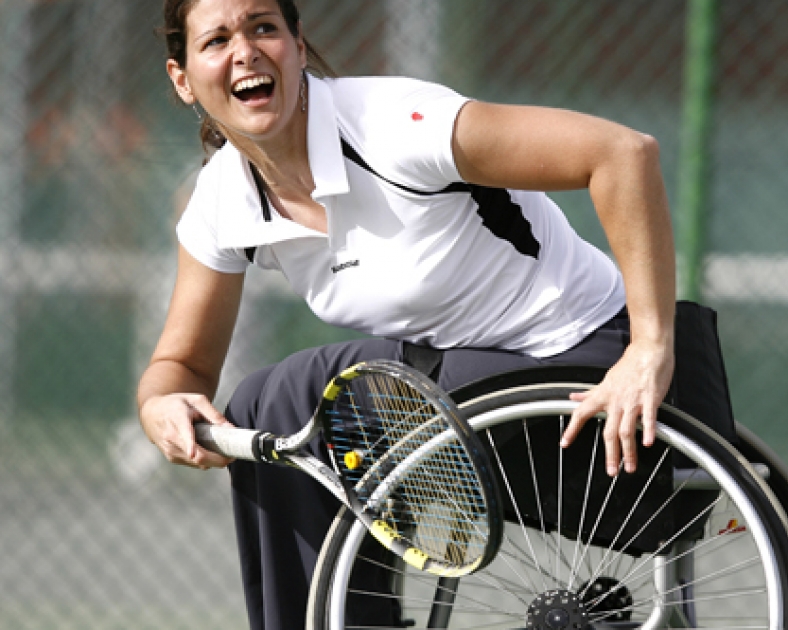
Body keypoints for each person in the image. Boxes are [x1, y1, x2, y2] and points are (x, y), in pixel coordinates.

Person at [140, 0, 676, 627]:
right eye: (217, 41)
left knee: (309, 402)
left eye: (264, 28)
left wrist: (649, 349)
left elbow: (622, 152)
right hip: (454, 380)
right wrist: (160, 405)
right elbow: (180, 364)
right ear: (183, 80)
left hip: (574, 358)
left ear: (298, 43)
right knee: (269, 406)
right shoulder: (221, 200)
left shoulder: (392, 124)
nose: (246, 52)